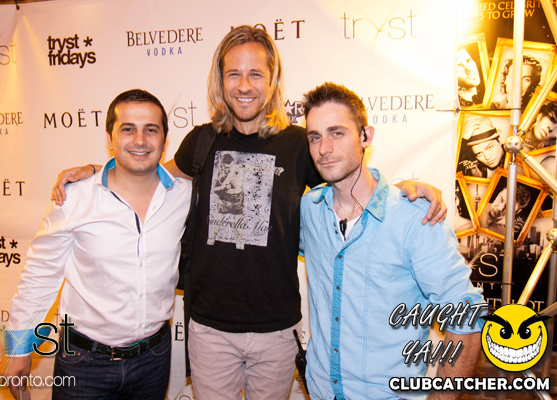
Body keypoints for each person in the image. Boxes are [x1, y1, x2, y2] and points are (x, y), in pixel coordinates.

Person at [50, 26, 447, 400]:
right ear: (219, 80)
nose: (244, 85)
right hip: (209, 329)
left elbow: (345, 175)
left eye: (255, 73)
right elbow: (150, 174)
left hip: (277, 330)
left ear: (272, 81)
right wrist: (96, 171)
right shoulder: (201, 140)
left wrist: (402, 190)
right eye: (233, 74)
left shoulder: (299, 143)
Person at [0, 89, 191, 399]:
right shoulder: (75, 197)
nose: (140, 140)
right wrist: (18, 348)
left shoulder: (183, 195)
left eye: (151, 130)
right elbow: (40, 274)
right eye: (128, 129)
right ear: (110, 138)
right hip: (84, 362)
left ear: (164, 139)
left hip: (154, 359)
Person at [300, 82, 484, 400]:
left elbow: (466, 320)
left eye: (336, 133)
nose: (323, 149)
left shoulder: (415, 219)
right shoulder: (310, 209)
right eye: (314, 137)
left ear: (366, 137)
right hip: (321, 392)